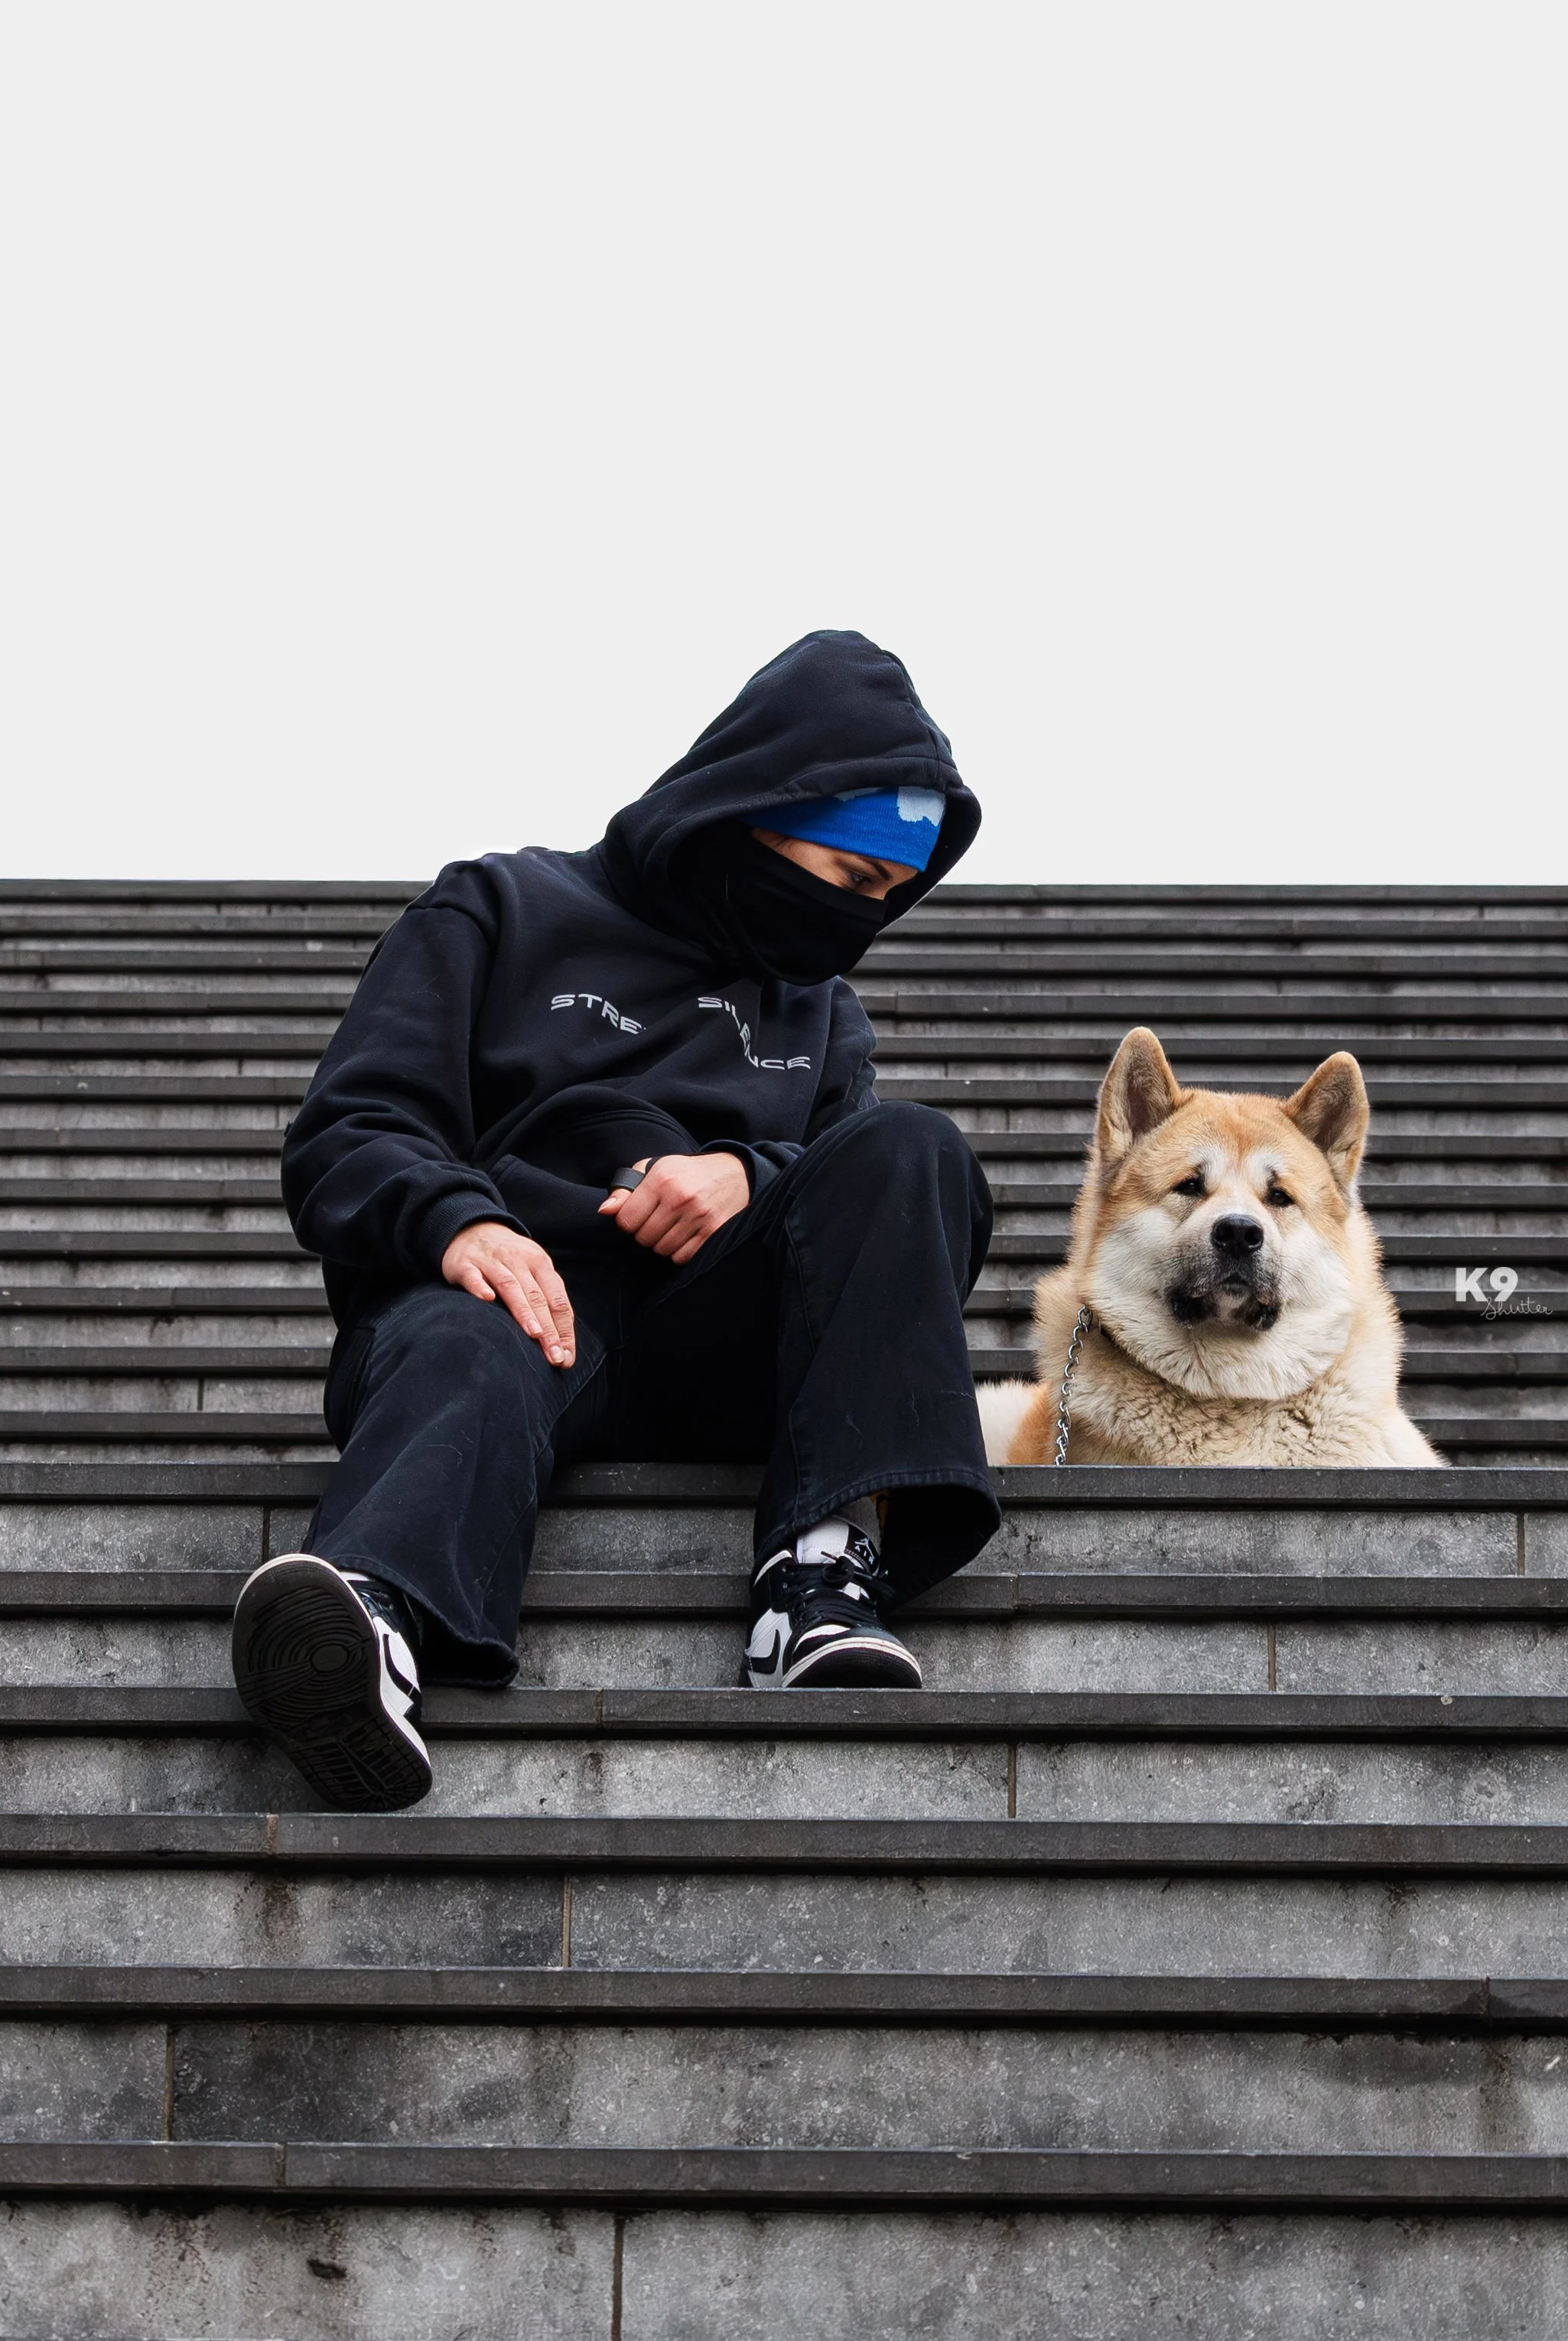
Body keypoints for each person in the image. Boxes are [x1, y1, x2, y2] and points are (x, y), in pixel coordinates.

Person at [229, 630, 999, 1809]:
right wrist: (459, 1223)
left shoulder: (824, 1014)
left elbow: (858, 1198)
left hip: (724, 1346)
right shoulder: (500, 905)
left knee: (913, 1146)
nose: (855, 925)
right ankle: (368, 1629)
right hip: (519, 1305)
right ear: (757, 810)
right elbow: (353, 1124)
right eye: (848, 883)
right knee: (467, 1333)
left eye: (887, 903)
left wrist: (753, 1169)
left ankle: (819, 1584)